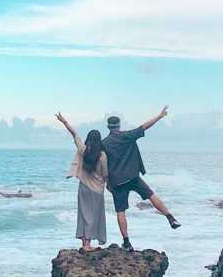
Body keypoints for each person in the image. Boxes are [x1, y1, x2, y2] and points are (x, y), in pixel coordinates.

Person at [101, 106, 180, 251]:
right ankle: (171, 218)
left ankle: (127, 243)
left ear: (108, 127)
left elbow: (102, 163)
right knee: (151, 195)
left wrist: (106, 182)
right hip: (133, 177)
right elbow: (145, 126)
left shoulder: (104, 143)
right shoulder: (127, 136)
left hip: (117, 182)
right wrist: (160, 116)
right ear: (119, 125)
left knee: (120, 212)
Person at [55, 112, 108, 251]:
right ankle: (88, 245)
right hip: (97, 190)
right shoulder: (102, 155)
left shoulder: (83, 150)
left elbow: (74, 134)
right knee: (93, 216)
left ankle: (84, 243)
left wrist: (63, 121)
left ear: (89, 139)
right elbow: (105, 173)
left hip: (83, 187)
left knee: (84, 215)